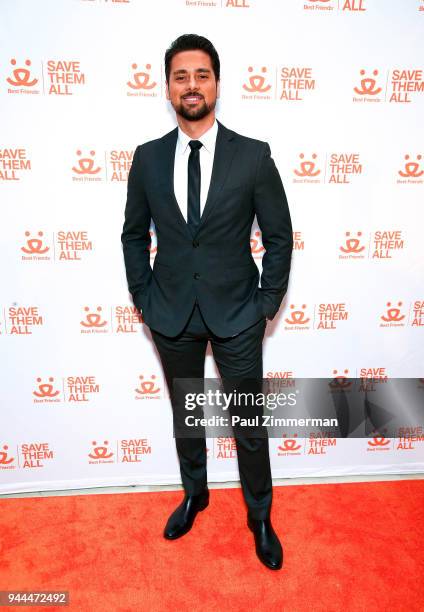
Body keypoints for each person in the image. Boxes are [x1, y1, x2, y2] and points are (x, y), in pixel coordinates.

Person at [121, 34, 293, 570]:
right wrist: (144, 296)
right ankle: (195, 494)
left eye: (200, 75)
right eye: (180, 76)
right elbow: (132, 235)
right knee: (186, 416)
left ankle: (259, 515)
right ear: (167, 86)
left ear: (216, 82)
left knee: (248, 421)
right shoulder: (147, 159)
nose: (191, 86)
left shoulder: (253, 156)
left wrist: (265, 303)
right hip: (171, 313)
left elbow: (280, 237)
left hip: (239, 312)